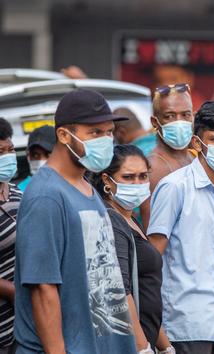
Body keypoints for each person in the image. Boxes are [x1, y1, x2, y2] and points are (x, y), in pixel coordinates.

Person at [14, 89, 136, 353]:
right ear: (63, 135)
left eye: (108, 132)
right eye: (94, 133)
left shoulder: (86, 188)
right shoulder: (46, 196)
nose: (105, 140)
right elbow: (43, 289)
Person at [147, 101, 214, 354]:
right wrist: (156, 337)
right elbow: (151, 263)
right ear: (197, 143)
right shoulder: (175, 187)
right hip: (183, 326)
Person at [90, 144, 175, 354]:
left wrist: (164, 346)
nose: (137, 183)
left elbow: (146, 291)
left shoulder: (129, 218)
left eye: (143, 176)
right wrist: (142, 347)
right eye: (128, 177)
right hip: (131, 346)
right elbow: (120, 290)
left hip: (147, 339)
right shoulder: (112, 221)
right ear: (107, 181)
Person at [140, 83, 194, 230]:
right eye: (170, 116)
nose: (179, 122)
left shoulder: (195, 157)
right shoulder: (153, 168)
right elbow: (152, 233)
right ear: (155, 122)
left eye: (185, 115)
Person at [0, 119, 22, 354]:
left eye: (10, 150)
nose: (7, 156)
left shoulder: (16, 193)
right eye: (0, 152)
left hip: (27, 317)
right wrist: (13, 291)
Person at [17, 125, 56, 191]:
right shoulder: (20, 192)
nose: (41, 160)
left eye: (48, 155)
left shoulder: (73, 186)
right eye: (35, 155)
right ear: (28, 157)